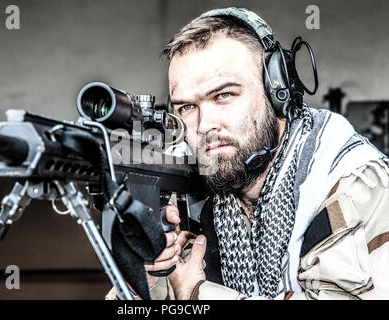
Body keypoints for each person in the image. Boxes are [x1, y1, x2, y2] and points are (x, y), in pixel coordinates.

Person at [107, 7, 389, 300]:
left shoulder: (354, 182)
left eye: (224, 95)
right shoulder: (186, 192)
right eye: (187, 107)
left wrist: (196, 293)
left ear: (276, 90)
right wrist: (141, 282)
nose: (204, 126)